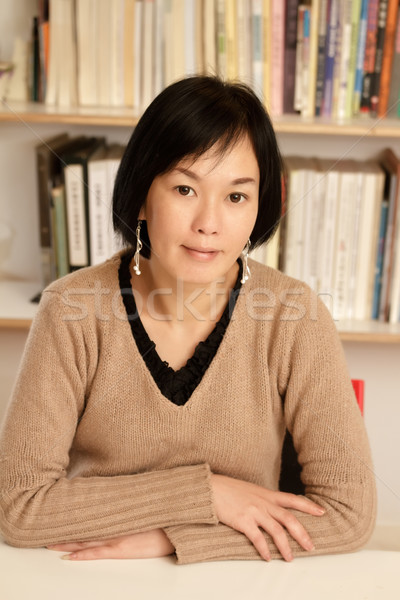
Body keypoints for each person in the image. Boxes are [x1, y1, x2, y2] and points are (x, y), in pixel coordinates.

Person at [0, 76, 376, 564]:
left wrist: (172, 540)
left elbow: (349, 515)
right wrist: (209, 494)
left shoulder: (294, 315)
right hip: (95, 581)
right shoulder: (70, 310)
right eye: (184, 188)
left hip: (240, 584)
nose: (209, 223)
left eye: (236, 197)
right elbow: (19, 507)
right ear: (141, 195)